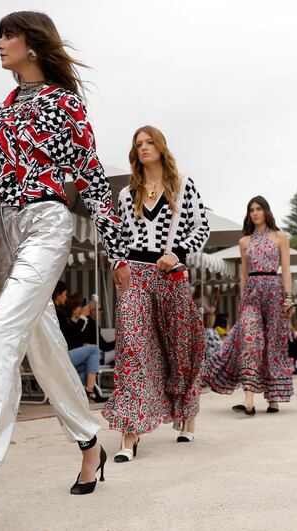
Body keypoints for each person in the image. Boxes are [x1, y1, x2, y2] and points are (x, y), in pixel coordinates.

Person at [0, 12, 127, 528]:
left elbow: (91, 180)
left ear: (32, 43)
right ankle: (90, 443)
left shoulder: (66, 104)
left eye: (7, 35)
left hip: (46, 226)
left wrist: (118, 252)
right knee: (42, 349)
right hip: (2, 235)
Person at [103, 125, 209, 461]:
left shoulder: (182, 186)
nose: (144, 148)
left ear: (161, 147)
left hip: (170, 276)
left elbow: (201, 226)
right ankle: (129, 436)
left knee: (178, 349)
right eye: (138, 144)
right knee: (132, 349)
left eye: (149, 142)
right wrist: (116, 261)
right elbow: (117, 238)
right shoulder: (125, 194)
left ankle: (187, 416)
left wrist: (177, 252)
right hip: (135, 276)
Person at [204, 196, 293, 414]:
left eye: (258, 209)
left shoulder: (280, 236)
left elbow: (287, 270)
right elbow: (243, 275)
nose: (255, 213)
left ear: (266, 211)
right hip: (252, 294)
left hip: (274, 291)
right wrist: (243, 302)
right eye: (251, 209)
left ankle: (274, 398)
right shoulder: (244, 241)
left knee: (274, 345)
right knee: (250, 342)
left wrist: (289, 297)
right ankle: (249, 399)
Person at [54, 288, 103, 402]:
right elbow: (71, 335)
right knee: (94, 349)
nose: (66, 298)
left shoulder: (69, 318)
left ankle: (68, 392)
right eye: (64, 294)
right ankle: (90, 390)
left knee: (89, 366)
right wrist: (82, 318)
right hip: (63, 355)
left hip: (69, 355)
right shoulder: (61, 316)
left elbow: (75, 337)